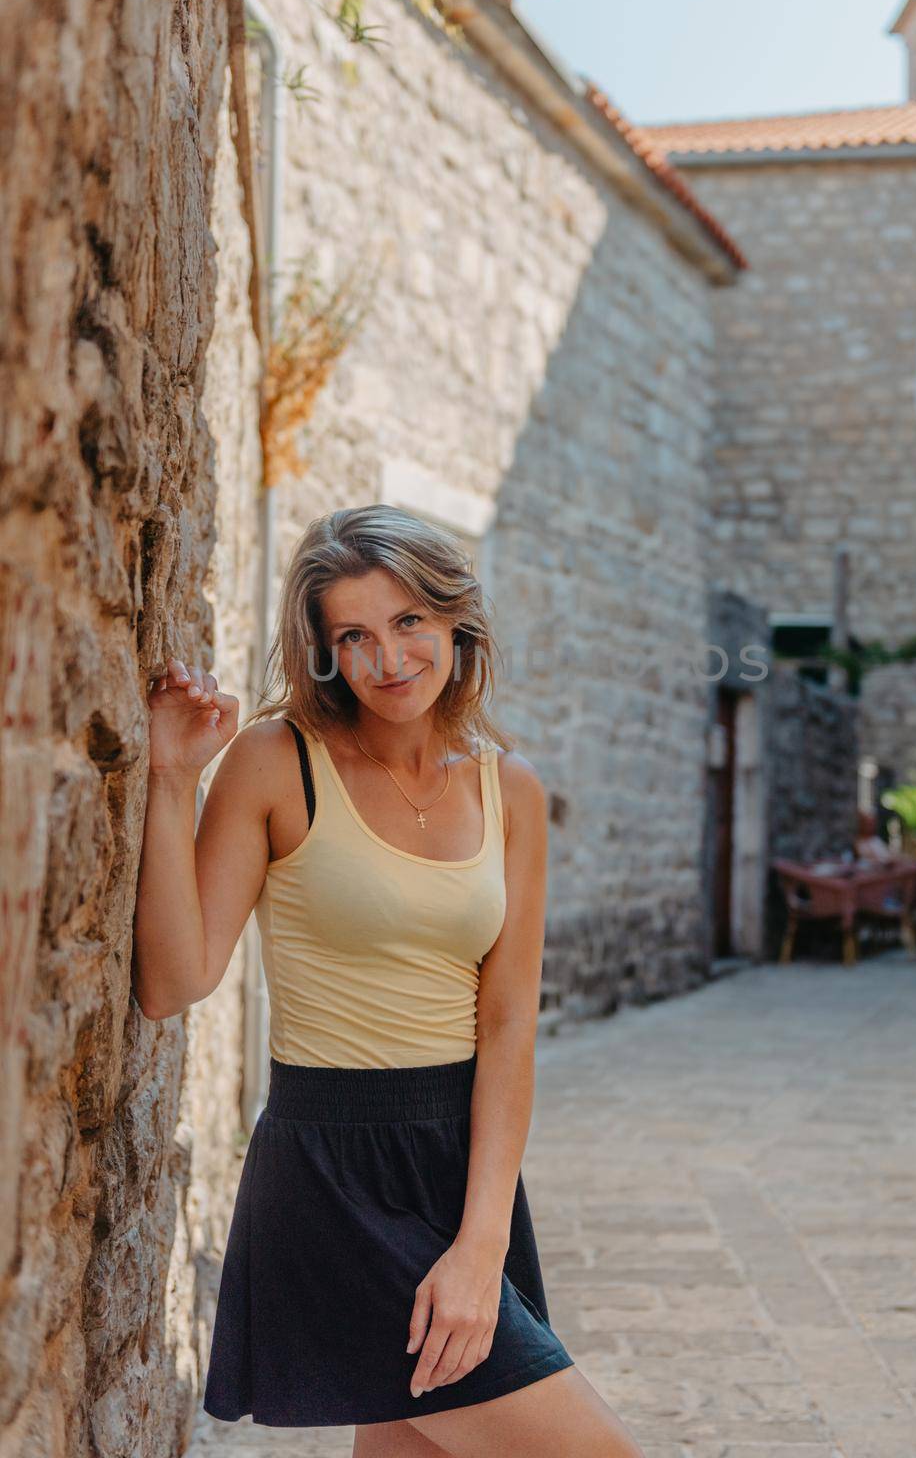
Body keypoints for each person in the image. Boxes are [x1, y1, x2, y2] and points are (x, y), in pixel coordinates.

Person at [133, 504, 645, 1457]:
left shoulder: (511, 789)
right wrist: (171, 778)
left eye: (410, 621)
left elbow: (507, 1029)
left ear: (455, 620)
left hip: (462, 1174)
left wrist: (482, 1238)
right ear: (325, 653)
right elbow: (174, 980)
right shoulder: (277, 762)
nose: (390, 657)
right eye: (354, 636)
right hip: (331, 1173)